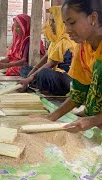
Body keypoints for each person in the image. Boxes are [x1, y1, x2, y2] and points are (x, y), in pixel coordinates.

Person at [44, 0, 102, 132]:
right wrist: (50, 118)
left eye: (72, 23)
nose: (66, 30)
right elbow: (78, 93)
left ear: (92, 18)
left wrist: (93, 120)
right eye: (65, 24)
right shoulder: (82, 48)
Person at [19, 6, 76, 96]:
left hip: (67, 77)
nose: (50, 24)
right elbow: (46, 57)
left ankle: (39, 83)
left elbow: (50, 64)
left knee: (44, 73)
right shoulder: (55, 41)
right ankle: (40, 83)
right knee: (25, 69)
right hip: (55, 72)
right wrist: (32, 72)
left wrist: (30, 78)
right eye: (51, 20)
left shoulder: (66, 41)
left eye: (54, 21)